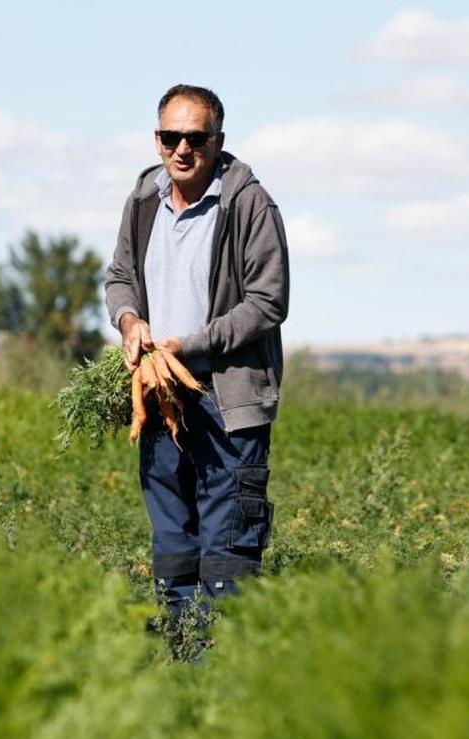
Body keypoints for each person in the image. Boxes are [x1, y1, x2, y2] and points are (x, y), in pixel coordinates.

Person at [104, 84, 290, 627]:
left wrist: (192, 344)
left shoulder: (249, 203)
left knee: (227, 552)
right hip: (160, 395)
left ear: (218, 140)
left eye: (196, 137)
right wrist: (130, 321)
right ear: (157, 139)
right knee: (173, 546)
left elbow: (268, 302)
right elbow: (119, 277)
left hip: (224, 401)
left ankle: (225, 678)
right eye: (170, 137)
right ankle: (179, 663)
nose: (182, 149)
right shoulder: (143, 198)